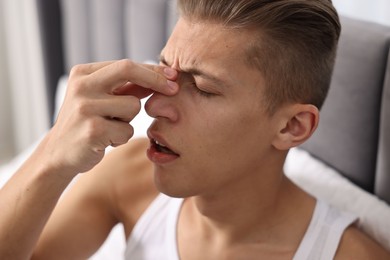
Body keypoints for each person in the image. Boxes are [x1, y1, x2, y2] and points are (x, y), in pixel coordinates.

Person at [1, 0, 389, 259]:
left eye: (202, 88)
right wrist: (53, 155)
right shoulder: (128, 176)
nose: (154, 105)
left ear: (291, 126)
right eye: (164, 69)